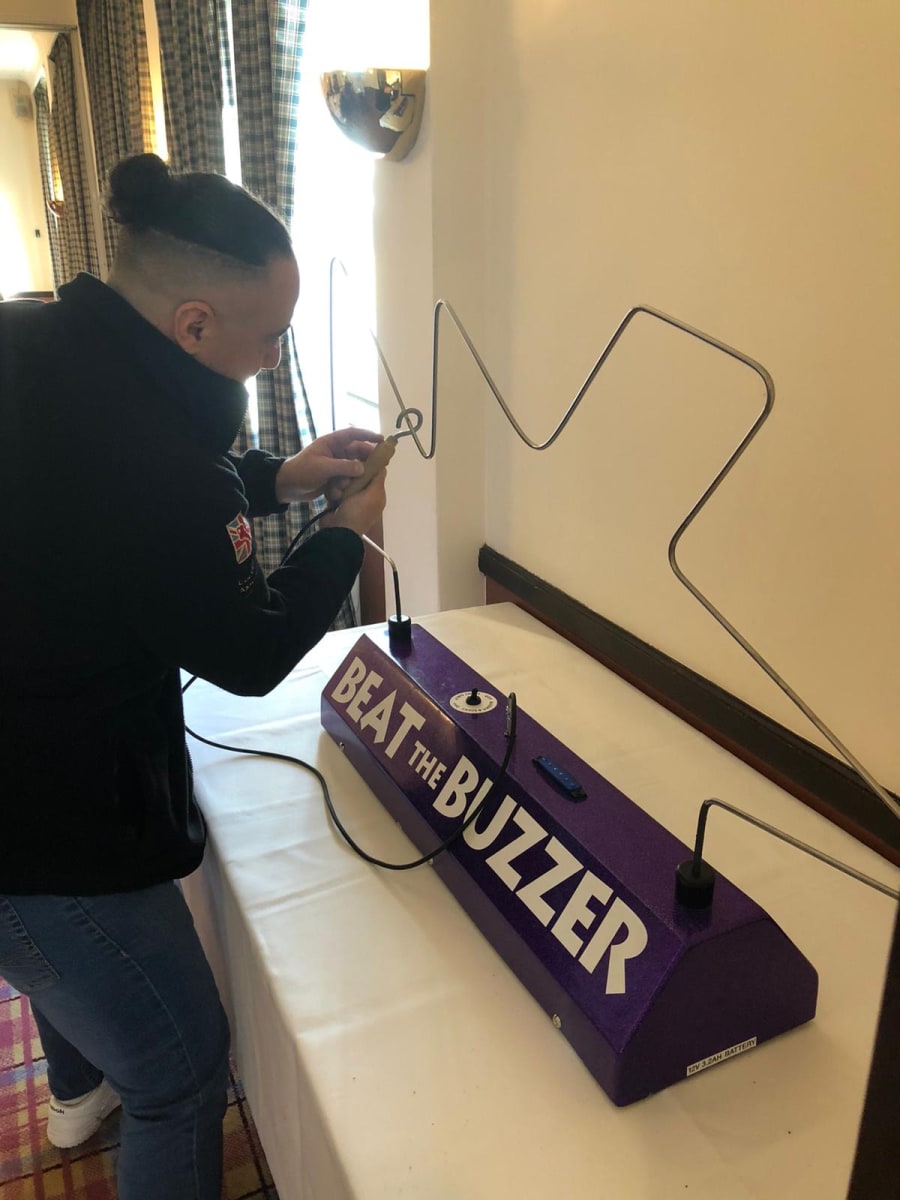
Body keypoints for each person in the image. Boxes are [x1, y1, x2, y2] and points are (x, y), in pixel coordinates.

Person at [0, 153, 387, 1199]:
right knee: (179, 1071)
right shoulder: (151, 463)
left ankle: (77, 1088)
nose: (274, 357)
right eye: (269, 338)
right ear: (195, 326)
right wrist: (343, 534)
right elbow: (249, 651)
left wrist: (280, 476)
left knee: (73, 989)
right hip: (44, 832)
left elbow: (130, 508)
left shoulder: (32, 341)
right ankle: (120, 1086)